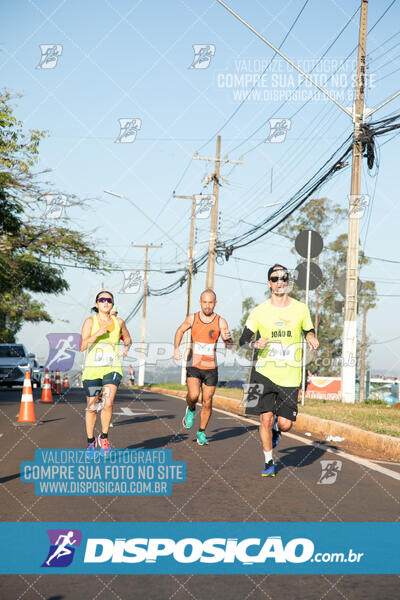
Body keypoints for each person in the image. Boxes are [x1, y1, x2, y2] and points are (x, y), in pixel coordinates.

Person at [239, 264, 319, 477]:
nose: (279, 282)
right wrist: (255, 344)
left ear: (288, 281)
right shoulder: (259, 311)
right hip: (263, 373)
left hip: (290, 375)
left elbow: (308, 329)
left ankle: (277, 430)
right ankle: (268, 462)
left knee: (285, 425)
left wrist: (311, 337)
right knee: (264, 418)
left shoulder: (301, 309)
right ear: (269, 283)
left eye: (283, 278)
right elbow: (243, 340)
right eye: (275, 279)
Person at [174, 289, 233, 446]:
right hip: (193, 364)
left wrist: (229, 339)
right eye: (205, 302)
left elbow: (229, 346)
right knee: (193, 395)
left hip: (211, 367)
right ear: (200, 303)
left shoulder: (221, 321)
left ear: (215, 303)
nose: (207, 306)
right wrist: (176, 348)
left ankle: (201, 432)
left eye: (210, 302)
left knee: (207, 401)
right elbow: (180, 330)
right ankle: (191, 409)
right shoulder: (192, 318)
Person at [80, 291, 132, 451]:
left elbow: (128, 338)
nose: (106, 302)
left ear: (112, 304)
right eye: (102, 300)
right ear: (96, 304)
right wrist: (97, 334)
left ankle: (104, 437)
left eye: (109, 300)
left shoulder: (119, 322)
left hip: (112, 368)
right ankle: (90, 441)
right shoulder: (90, 321)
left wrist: (126, 347)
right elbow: (82, 346)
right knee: (92, 406)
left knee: (108, 403)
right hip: (92, 370)